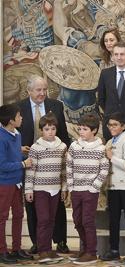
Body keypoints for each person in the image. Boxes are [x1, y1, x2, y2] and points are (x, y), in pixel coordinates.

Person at [18, 75, 70, 255]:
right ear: (29, 91)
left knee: (58, 206)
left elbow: (63, 133)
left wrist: (66, 155)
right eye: (38, 90)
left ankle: (61, 240)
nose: (42, 93)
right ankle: (38, 242)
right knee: (33, 205)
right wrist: (19, 149)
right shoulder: (20, 107)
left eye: (44, 89)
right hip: (30, 163)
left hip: (54, 164)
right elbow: (12, 134)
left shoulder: (56, 106)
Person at [67, 113, 109, 265]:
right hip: (76, 189)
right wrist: (71, 186)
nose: (81, 132)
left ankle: (91, 252)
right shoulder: (74, 146)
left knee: (87, 221)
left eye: (84, 129)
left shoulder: (101, 148)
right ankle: (85, 248)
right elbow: (69, 166)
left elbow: (104, 169)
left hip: (90, 191)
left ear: (94, 130)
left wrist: (94, 187)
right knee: (77, 221)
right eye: (80, 129)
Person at [24, 113, 66, 264]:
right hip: (40, 189)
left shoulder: (62, 147)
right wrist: (28, 190)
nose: (50, 131)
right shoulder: (36, 148)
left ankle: (49, 249)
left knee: (52, 220)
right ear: (41, 130)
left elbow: (63, 170)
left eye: (53, 129)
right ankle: (42, 250)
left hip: (55, 188)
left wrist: (64, 188)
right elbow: (30, 170)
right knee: (43, 219)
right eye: (47, 129)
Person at [100, 112, 125, 263]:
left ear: (123, 126)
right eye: (110, 125)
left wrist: (111, 157)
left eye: (115, 125)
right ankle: (114, 250)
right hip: (113, 186)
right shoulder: (109, 142)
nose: (112, 127)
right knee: (113, 219)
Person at [0, 104, 33, 264]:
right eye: (19, 115)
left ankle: (16, 248)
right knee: (2, 217)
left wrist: (21, 154)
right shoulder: (1, 137)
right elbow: (2, 165)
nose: (21, 118)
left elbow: (12, 157)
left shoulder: (16, 134)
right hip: (4, 183)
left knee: (19, 215)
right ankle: (1, 250)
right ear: (11, 120)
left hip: (17, 182)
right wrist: (23, 164)